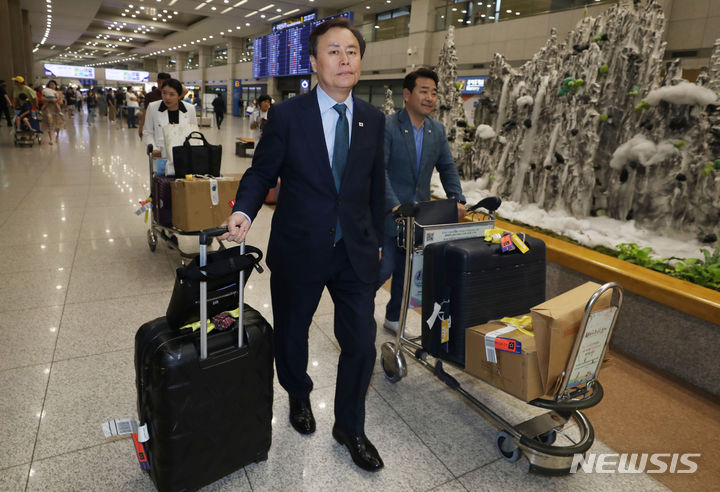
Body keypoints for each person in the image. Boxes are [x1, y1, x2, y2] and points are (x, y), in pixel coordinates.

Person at [221, 18, 385, 472]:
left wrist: (381, 246)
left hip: (353, 252)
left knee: (363, 344)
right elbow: (260, 172)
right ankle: (297, 393)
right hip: (299, 248)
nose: (344, 58)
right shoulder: (289, 115)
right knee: (291, 334)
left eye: (351, 50)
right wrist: (245, 211)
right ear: (314, 62)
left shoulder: (373, 120)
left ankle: (350, 425)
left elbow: (375, 188)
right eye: (333, 50)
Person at [379, 68, 467, 334]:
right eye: (424, 91)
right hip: (390, 215)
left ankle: (394, 318)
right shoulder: (389, 126)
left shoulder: (436, 130)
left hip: (420, 218)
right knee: (383, 269)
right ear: (407, 95)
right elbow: (379, 170)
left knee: (408, 272)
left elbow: (447, 167)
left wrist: (457, 200)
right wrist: (395, 205)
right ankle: (355, 312)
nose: (430, 97)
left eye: (434, 92)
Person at [142, 78, 198, 158]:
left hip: (184, 155)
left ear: (179, 95)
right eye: (164, 93)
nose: (167, 97)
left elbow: (194, 132)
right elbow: (148, 132)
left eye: (172, 94)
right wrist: (154, 149)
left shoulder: (189, 109)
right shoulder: (153, 107)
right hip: (161, 154)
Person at [41, 80, 64, 145]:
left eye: (53, 84)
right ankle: (51, 139)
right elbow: (42, 99)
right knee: (49, 122)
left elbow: (61, 102)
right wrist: (49, 99)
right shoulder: (46, 92)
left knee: (57, 124)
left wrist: (56, 100)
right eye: (50, 84)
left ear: (56, 85)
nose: (52, 86)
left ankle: (57, 134)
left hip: (56, 109)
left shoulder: (58, 93)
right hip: (48, 108)